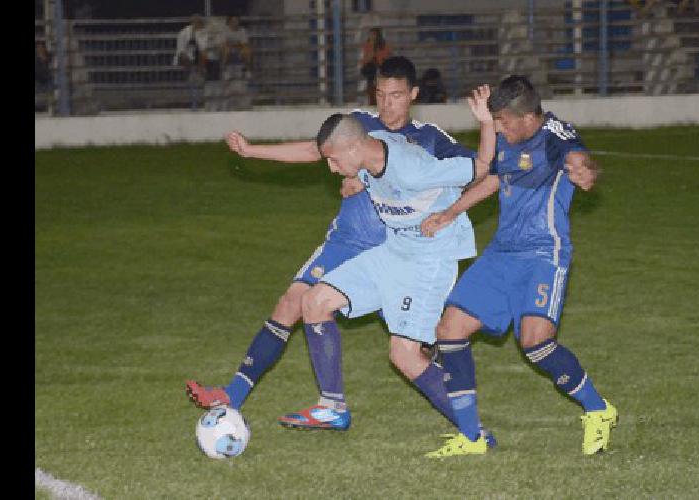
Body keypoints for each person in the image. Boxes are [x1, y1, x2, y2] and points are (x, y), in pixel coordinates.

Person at [185, 56, 496, 445]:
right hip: (358, 245)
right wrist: (254, 152)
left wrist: (452, 200)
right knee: (304, 302)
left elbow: (482, 168)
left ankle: (473, 422)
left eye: (396, 96)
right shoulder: (358, 131)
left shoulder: (424, 144)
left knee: (407, 351)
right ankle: (303, 402)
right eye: (380, 95)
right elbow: (320, 152)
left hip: (413, 253)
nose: (387, 104)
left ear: (413, 96)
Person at [419, 75, 616, 458]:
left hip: (544, 253)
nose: (501, 130)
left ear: (524, 116)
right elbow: (494, 178)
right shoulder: (510, 138)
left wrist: (586, 171)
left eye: (503, 123)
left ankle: (599, 410)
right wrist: (450, 213)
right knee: (450, 330)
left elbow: (580, 160)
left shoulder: (556, 136)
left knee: (536, 342)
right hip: (502, 252)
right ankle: (472, 437)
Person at [288, 96, 494, 438]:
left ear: (354, 148)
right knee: (314, 302)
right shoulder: (370, 154)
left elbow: (484, 168)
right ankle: (331, 407)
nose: (332, 169)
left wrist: (486, 122)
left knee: (404, 355)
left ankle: (475, 434)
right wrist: (360, 180)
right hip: (394, 249)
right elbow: (375, 174)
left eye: (334, 160)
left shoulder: (412, 168)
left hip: (429, 259)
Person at [174, 14, 209, 111]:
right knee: (186, 60)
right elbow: (181, 50)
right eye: (195, 22)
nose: (197, 23)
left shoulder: (204, 33)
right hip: (187, 59)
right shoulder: (183, 33)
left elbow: (204, 49)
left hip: (201, 58)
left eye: (199, 22)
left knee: (204, 57)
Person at [219, 16, 253, 110]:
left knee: (247, 50)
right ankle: (224, 68)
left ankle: (247, 69)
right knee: (226, 50)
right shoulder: (225, 31)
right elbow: (224, 44)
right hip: (228, 54)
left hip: (239, 54)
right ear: (229, 22)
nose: (235, 23)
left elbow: (245, 44)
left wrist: (235, 45)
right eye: (233, 21)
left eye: (237, 21)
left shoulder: (242, 31)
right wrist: (235, 44)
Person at [359, 28, 392, 105]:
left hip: (381, 68)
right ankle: (372, 99)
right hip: (370, 69)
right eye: (370, 35)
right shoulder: (367, 46)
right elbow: (364, 59)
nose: (371, 37)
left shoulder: (384, 45)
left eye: (373, 35)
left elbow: (386, 57)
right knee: (371, 80)